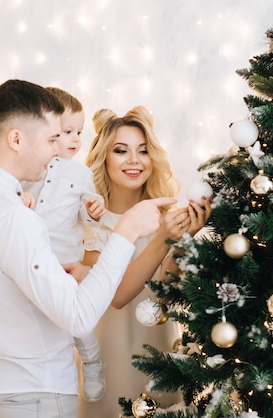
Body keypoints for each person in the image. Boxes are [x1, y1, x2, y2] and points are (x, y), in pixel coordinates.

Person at [0, 79, 176, 418]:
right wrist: (126, 232)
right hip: (31, 394)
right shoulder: (14, 219)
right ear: (16, 139)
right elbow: (78, 316)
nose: (58, 150)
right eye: (52, 139)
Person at [78, 106, 212, 417]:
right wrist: (165, 238)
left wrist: (184, 239)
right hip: (109, 357)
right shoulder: (90, 220)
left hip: (158, 350)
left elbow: (162, 292)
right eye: (121, 151)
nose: (134, 160)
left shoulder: (164, 219)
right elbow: (118, 296)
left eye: (143, 150)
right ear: (104, 157)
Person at [22, 86, 107, 402]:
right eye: (66, 132)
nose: (75, 139)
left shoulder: (80, 173)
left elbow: (89, 218)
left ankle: (93, 362)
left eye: (78, 132)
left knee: (75, 320)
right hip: (33, 259)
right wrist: (23, 199)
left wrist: (92, 211)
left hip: (66, 261)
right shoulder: (30, 167)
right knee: (36, 322)